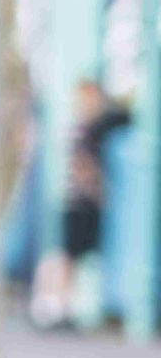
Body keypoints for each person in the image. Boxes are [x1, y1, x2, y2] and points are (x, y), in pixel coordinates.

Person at [30, 78, 130, 330]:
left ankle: (56, 304)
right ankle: (51, 304)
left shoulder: (84, 127)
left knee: (69, 255)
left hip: (76, 201)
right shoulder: (84, 129)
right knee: (66, 255)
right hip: (78, 202)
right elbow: (82, 164)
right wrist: (96, 188)